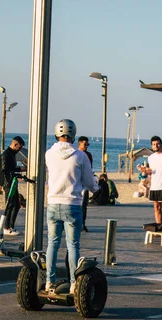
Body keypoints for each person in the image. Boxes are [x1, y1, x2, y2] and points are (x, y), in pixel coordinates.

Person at [45, 119, 98, 293]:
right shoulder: (80, 155)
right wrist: (95, 188)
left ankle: (49, 282)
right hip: (72, 204)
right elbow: (89, 182)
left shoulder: (48, 154)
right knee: (72, 245)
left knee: (52, 244)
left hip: (53, 203)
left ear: (56, 134)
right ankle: (74, 284)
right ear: (73, 135)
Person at [1, 136, 25, 235]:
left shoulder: (11, 154)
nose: (19, 150)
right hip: (8, 183)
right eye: (19, 148)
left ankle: (10, 226)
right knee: (10, 205)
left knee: (16, 205)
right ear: (15, 145)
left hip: (12, 182)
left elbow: (11, 168)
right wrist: (20, 170)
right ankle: (7, 227)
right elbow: (6, 170)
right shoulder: (6, 154)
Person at [78, 136, 93, 232]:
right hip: (77, 182)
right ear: (79, 144)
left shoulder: (88, 155)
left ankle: (83, 223)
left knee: (84, 204)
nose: (86, 146)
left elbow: (90, 169)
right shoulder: (76, 154)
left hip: (85, 183)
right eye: (85, 144)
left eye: (87, 144)